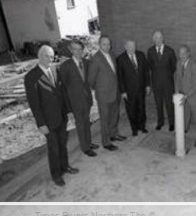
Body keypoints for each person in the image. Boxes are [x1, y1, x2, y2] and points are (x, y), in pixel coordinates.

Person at [24, 45, 78, 187]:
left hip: (61, 117)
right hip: (48, 121)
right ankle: (56, 175)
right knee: (53, 148)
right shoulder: (31, 77)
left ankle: (65, 167)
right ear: (39, 56)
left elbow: (63, 93)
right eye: (47, 56)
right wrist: (41, 124)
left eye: (52, 56)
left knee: (62, 144)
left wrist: (69, 111)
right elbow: (34, 104)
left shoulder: (55, 70)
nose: (50, 59)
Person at [59, 40, 99, 157]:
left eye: (80, 49)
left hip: (86, 100)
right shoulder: (65, 66)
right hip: (74, 102)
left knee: (87, 122)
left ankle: (89, 142)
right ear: (71, 50)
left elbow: (89, 82)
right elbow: (63, 89)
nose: (78, 52)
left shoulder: (87, 62)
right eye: (75, 49)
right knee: (81, 125)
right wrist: (68, 109)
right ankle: (85, 148)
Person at [88, 35, 126, 151]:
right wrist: (100, 89)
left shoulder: (112, 55)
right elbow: (90, 80)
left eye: (109, 44)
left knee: (115, 115)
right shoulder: (95, 59)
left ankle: (113, 134)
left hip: (115, 92)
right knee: (105, 119)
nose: (107, 46)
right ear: (99, 45)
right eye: (104, 44)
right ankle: (106, 142)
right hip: (103, 95)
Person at [117, 40, 150, 136]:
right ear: (125, 47)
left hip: (141, 88)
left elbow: (146, 71)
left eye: (134, 46)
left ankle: (142, 126)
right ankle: (134, 129)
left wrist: (148, 85)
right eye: (130, 46)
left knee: (141, 108)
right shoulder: (120, 59)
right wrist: (123, 91)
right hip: (128, 91)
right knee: (131, 110)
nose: (132, 48)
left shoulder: (141, 55)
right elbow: (120, 77)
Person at [147, 30, 177, 131]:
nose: (158, 40)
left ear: (163, 38)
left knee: (169, 104)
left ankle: (172, 123)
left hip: (168, 83)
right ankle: (160, 122)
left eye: (159, 38)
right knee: (158, 104)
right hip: (156, 83)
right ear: (153, 39)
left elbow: (174, 67)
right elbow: (150, 67)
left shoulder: (170, 51)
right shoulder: (150, 51)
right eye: (155, 38)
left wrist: (167, 76)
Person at [174, 45, 196, 147]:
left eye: (184, 53)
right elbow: (177, 78)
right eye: (180, 53)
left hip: (193, 96)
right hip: (182, 95)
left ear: (188, 53)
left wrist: (186, 95)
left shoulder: (194, 65)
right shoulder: (178, 63)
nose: (182, 55)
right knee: (185, 114)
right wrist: (177, 92)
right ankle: (184, 129)